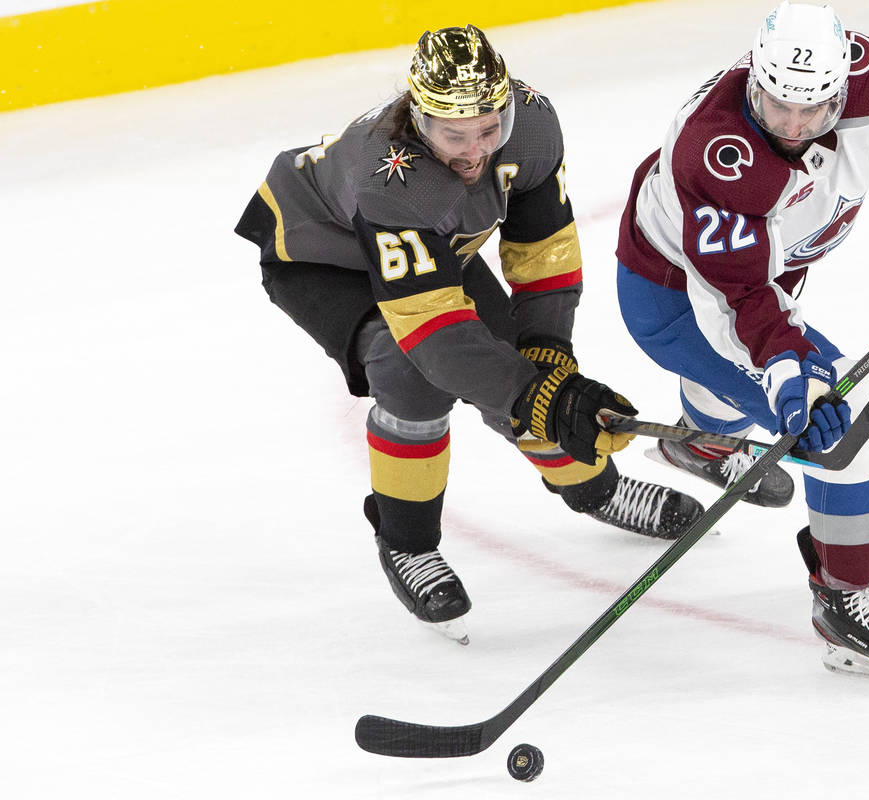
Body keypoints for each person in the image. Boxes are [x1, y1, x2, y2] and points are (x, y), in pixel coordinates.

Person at [235, 24, 704, 644]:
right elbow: (436, 337)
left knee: (527, 368)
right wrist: (537, 395)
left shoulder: (532, 126)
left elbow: (543, 251)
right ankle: (406, 542)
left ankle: (595, 490)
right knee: (412, 375)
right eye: (453, 134)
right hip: (322, 257)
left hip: (433, 245)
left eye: (489, 128)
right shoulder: (389, 178)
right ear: (417, 117)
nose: (475, 150)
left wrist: (550, 358)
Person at [615, 2, 869, 683]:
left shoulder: (865, 72)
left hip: (758, 279)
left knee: (758, 382)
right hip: (679, 298)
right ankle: (845, 602)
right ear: (755, 78)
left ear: (840, 89)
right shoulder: (717, 155)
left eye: (811, 111)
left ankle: (703, 441)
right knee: (850, 428)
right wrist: (795, 376)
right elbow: (741, 301)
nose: (792, 126)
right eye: (777, 105)